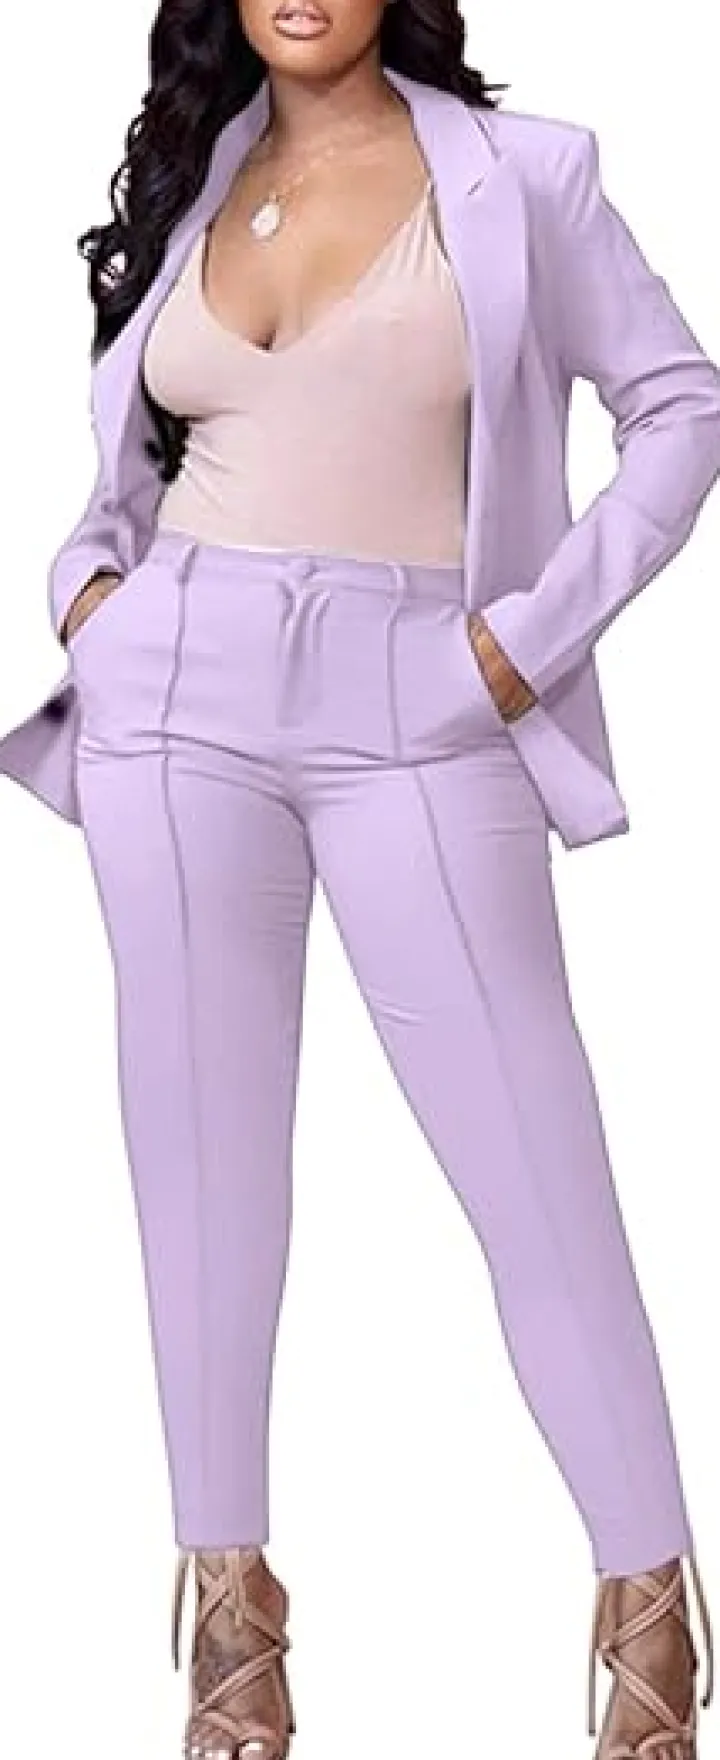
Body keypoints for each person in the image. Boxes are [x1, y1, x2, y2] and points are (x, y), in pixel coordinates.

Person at [2, 1, 718, 1756]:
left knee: (534, 1163)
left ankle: (653, 1627)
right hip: (176, 702)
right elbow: (140, 455)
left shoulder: (526, 175)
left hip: (422, 698)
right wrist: (92, 589)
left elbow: (681, 405)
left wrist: (527, 642)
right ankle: (229, 1641)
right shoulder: (198, 171)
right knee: (200, 1174)